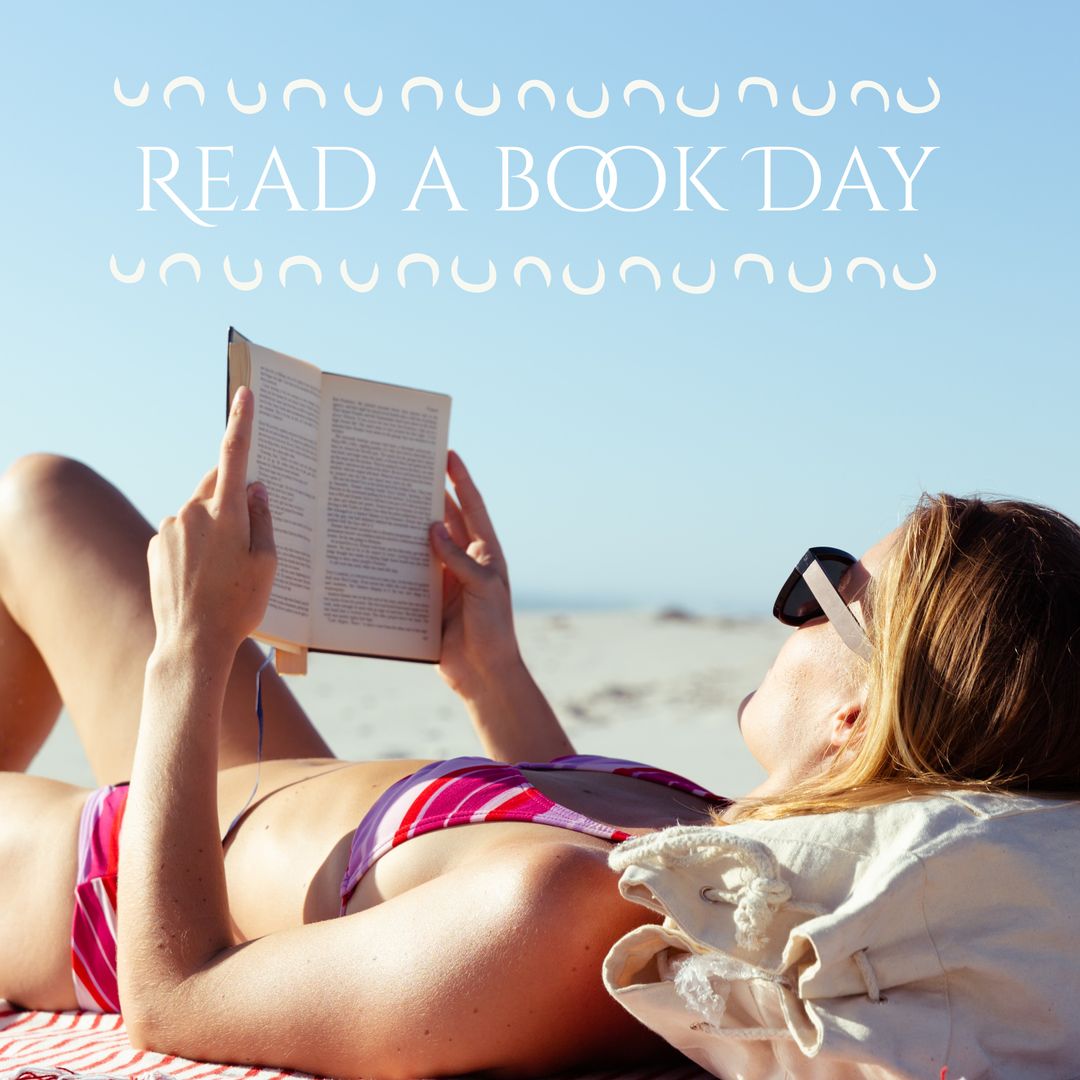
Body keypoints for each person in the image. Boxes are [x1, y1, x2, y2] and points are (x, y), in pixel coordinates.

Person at [0, 386, 1078, 1078]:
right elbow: (545, 834)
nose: (788, 606)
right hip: (263, 792)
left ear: (856, 716)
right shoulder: (718, 852)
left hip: (107, 873)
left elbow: (176, 993)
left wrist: (191, 643)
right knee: (40, 497)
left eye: (827, 590)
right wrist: (494, 669)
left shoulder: (570, 923)